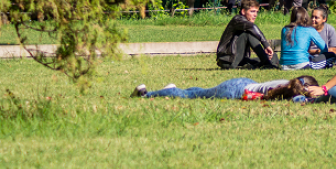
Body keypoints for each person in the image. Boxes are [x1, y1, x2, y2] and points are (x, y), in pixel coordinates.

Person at [134, 75, 319, 101]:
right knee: (192, 96)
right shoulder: (293, 94)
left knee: (201, 92)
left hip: (242, 82)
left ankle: (173, 88)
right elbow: (298, 99)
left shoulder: (288, 81)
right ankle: (146, 94)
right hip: (236, 92)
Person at [216, 0, 277, 69]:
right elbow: (252, 27)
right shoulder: (237, 20)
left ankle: (263, 63)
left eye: (256, 12)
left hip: (241, 60)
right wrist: (266, 45)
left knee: (274, 56)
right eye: (252, 11)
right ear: (243, 11)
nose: (255, 15)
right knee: (247, 34)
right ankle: (266, 64)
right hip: (228, 60)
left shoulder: (246, 24)